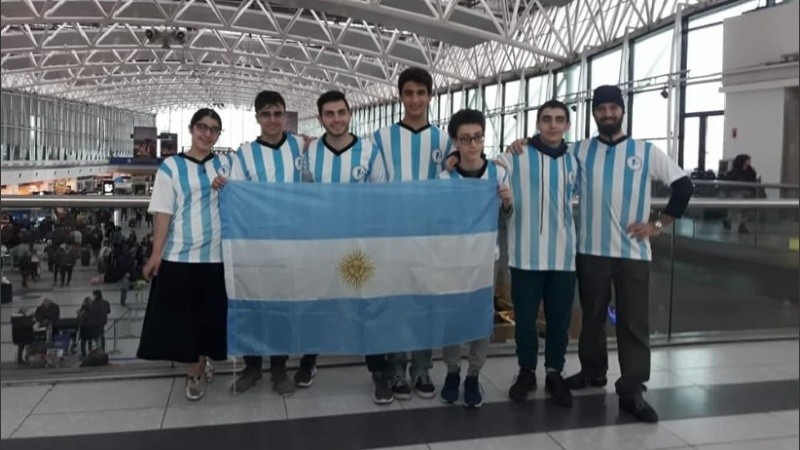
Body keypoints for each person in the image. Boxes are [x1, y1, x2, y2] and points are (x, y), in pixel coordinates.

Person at [213, 91, 305, 397]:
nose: (273, 120)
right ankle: (253, 366)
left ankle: (279, 367)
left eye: (278, 113)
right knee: (253, 305)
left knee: (282, 307)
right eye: (266, 114)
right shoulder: (245, 154)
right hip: (255, 243)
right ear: (257, 118)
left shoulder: (299, 145)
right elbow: (235, 190)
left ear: (285, 115)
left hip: (290, 242)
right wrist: (222, 184)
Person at [372, 67, 454, 401]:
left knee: (425, 304)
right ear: (400, 97)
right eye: (409, 93)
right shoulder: (381, 138)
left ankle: (422, 368)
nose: (415, 99)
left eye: (422, 93)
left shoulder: (445, 140)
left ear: (430, 96)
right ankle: (395, 370)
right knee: (395, 305)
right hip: (393, 237)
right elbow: (371, 186)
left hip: (430, 239)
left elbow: (465, 178)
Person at [136, 108, 229, 401]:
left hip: (216, 255)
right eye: (202, 127)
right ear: (191, 129)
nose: (207, 134)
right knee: (185, 319)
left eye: (214, 129)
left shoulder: (226, 164)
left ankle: (201, 362)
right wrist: (156, 254)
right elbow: (163, 212)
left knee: (209, 316)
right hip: (180, 255)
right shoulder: (171, 167)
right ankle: (194, 369)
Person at [305, 90, 390, 403]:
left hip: (360, 246)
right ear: (321, 119)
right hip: (322, 244)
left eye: (341, 112)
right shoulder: (311, 152)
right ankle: (309, 359)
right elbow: (301, 196)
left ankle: (379, 370)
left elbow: (380, 197)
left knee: (366, 305)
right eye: (329, 114)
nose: (336, 119)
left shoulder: (368, 151)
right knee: (319, 300)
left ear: (349, 113)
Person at [499, 100, 579, 407]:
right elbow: (486, 170)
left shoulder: (574, 160)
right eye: (547, 119)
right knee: (525, 320)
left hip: (562, 256)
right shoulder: (516, 155)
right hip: (525, 256)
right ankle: (526, 371)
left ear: (567, 125)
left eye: (560, 120)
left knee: (559, 321)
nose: (553, 125)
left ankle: (555, 371)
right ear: (537, 123)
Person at [437, 109, 512, 408]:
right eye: (465, 139)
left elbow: (508, 215)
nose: (472, 144)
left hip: (486, 258)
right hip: (452, 260)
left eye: (478, 138)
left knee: (481, 319)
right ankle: (453, 372)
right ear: (455, 141)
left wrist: (507, 203)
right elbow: (437, 219)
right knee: (452, 317)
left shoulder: (498, 173)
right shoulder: (445, 178)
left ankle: (473, 376)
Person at [723, 154, 758, 233]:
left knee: (746, 211)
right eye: (747, 160)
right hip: (737, 193)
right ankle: (734, 224)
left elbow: (753, 180)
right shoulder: (734, 172)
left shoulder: (751, 171)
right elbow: (730, 184)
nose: (749, 162)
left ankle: (742, 225)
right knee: (737, 210)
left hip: (749, 193)